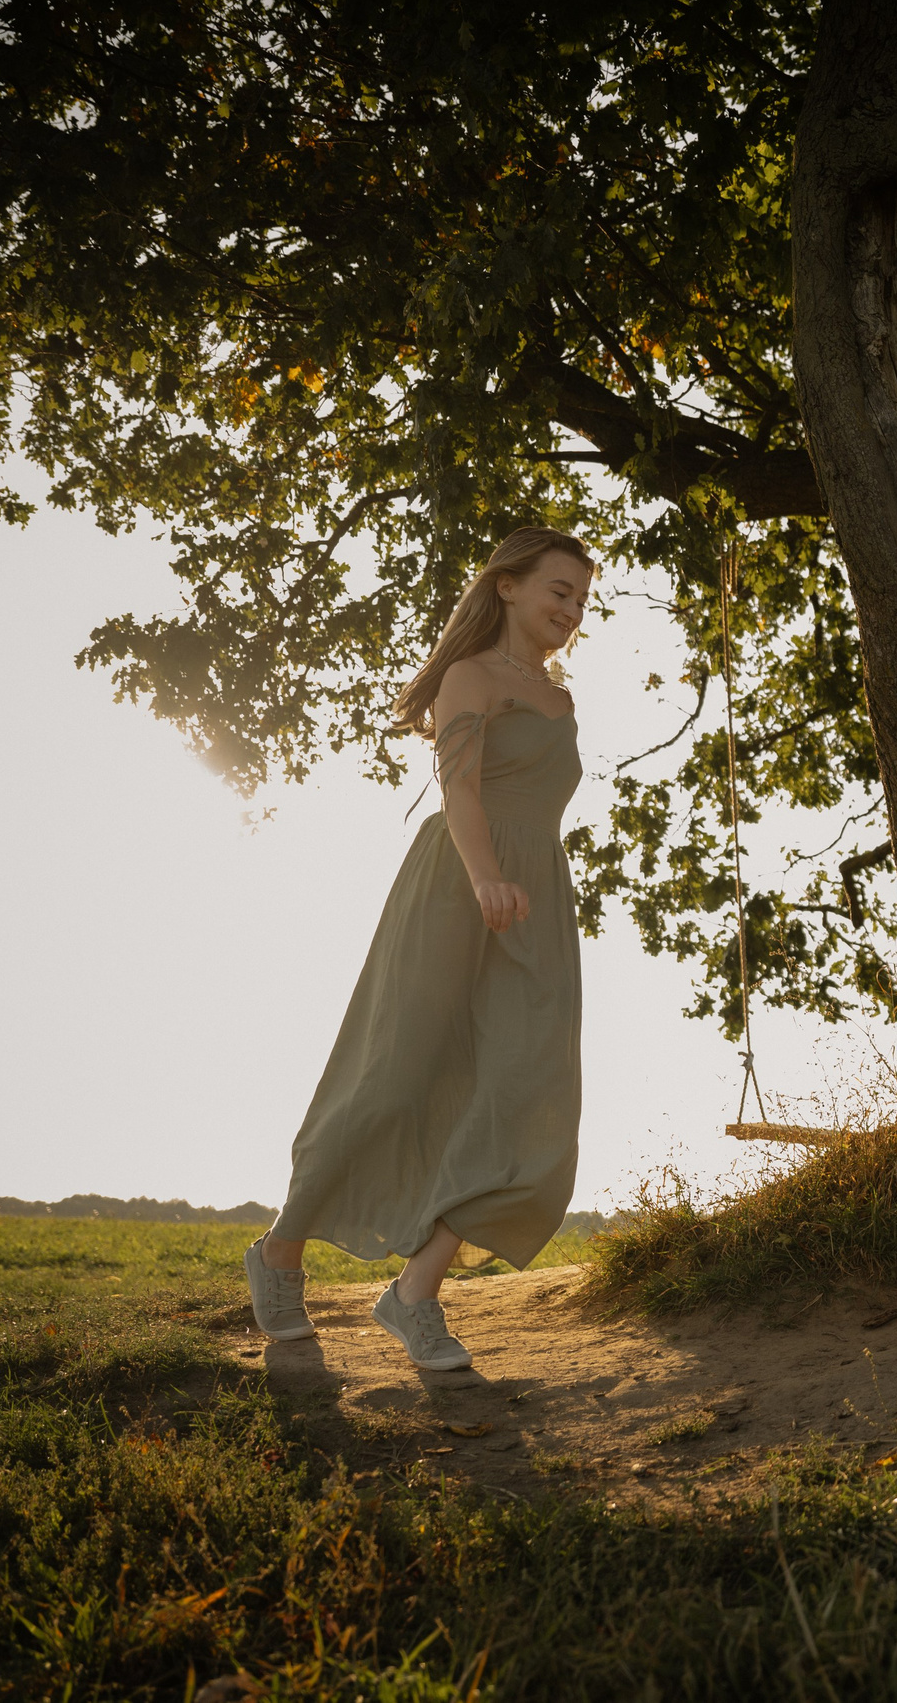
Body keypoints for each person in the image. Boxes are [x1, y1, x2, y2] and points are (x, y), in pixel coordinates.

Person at [242, 527, 596, 1370]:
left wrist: (515, 883)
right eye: (560, 591)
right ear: (507, 585)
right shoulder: (470, 676)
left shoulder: (559, 698)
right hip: (456, 885)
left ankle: (412, 1294)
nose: (572, 610)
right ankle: (282, 1248)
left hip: (536, 900)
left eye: (583, 600)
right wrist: (484, 877)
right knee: (392, 1075)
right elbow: (458, 786)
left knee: (531, 1092)